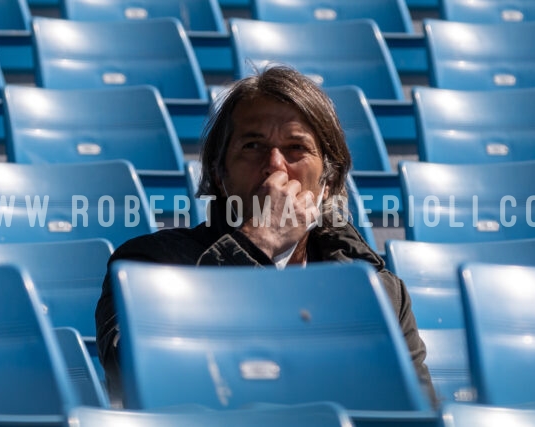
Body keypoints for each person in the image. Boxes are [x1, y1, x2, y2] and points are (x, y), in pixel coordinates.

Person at [95, 66, 435, 405]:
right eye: (253, 145)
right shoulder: (148, 268)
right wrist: (257, 242)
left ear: (328, 180)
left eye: (296, 148)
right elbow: (132, 374)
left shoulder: (379, 292)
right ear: (219, 173)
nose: (275, 165)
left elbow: (417, 413)